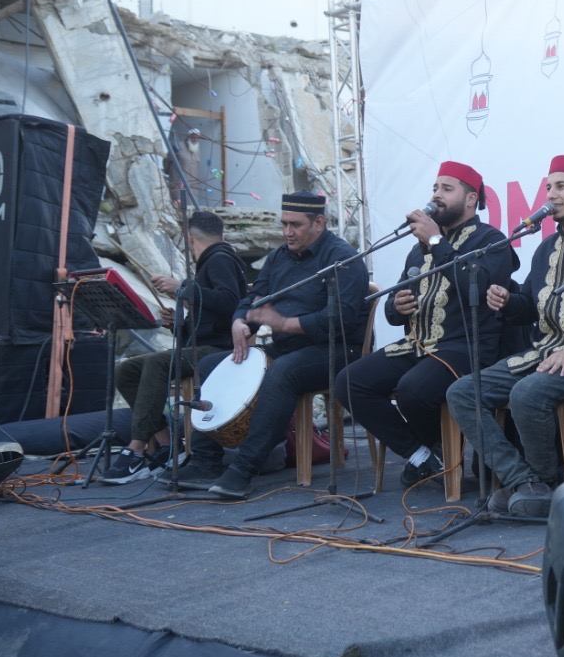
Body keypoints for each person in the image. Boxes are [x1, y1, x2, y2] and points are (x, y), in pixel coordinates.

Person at [444, 155, 564, 517]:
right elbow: (531, 306)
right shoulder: (546, 248)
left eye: (561, 186)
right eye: (549, 187)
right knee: (463, 391)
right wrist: (507, 301)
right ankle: (524, 481)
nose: (551, 194)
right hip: (543, 352)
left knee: (527, 392)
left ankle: (544, 482)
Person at [331, 162, 518, 489]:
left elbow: (475, 286)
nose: (436, 195)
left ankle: (442, 452)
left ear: (471, 199)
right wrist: (397, 307)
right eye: (435, 188)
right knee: (349, 381)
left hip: (464, 348)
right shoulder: (419, 250)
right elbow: (392, 310)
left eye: (447, 189)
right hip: (417, 345)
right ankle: (423, 456)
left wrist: (436, 242)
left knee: (413, 389)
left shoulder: (491, 240)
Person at [175, 192, 368, 499]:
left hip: (336, 349)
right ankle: (204, 460)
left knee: (283, 372)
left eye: (295, 225)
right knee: (211, 364)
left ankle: (244, 468)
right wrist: (240, 320)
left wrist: (285, 324)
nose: (287, 232)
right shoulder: (279, 256)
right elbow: (254, 297)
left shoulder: (342, 259)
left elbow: (338, 320)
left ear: (319, 223)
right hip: (287, 347)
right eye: (284, 224)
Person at [99, 210, 247, 483]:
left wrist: (183, 286)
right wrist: (177, 324)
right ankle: (169, 446)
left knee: (156, 363)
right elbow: (207, 321)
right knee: (127, 371)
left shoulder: (220, 260)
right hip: (206, 346)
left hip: (222, 351)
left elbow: (231, 303)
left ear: (190, 239)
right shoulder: (211, 263)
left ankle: (136, 451)